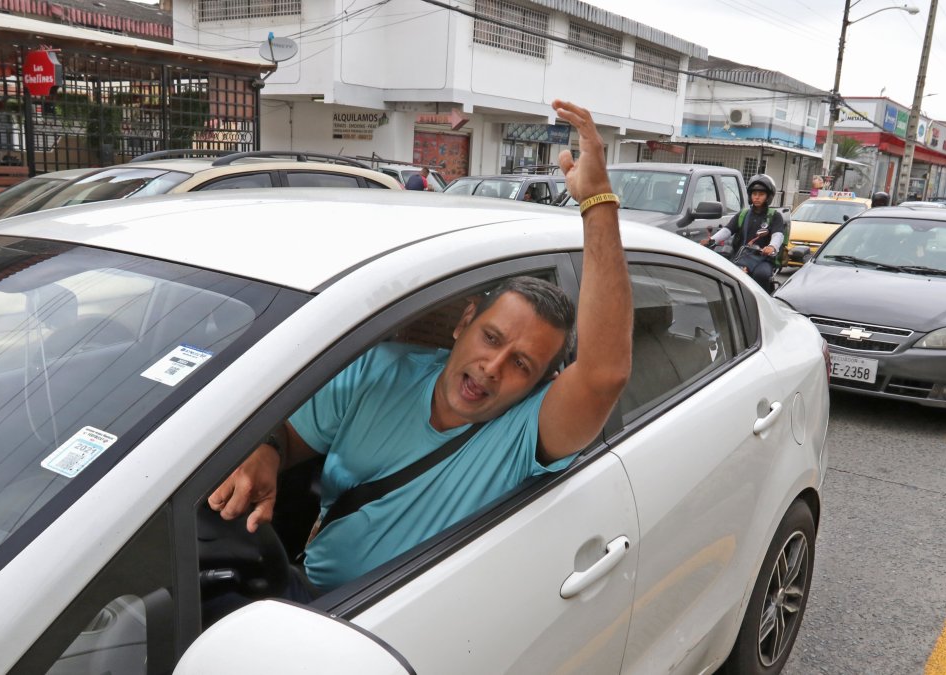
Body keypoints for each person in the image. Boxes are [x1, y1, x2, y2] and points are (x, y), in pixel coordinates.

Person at [208, 99, 631, 597]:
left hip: (404, 628)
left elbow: (603, 374)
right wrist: (266, 452)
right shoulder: (376, 370)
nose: (492, 367)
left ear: (540, 385)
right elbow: (289, 435)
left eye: (522, 364)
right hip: (306, 592)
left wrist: (597, 202)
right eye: (491, 338)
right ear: (464, 322)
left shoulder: (525, 435)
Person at [702, 173, 786, 293]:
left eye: (761, 194)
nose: (757, 197)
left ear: (768, 197)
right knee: (725, 273)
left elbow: (778, 235)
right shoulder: (743, 214)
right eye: (754, 194)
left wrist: (772, 246)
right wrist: (712, 240)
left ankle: (763, 301)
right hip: (742, 255)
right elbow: (727, 230)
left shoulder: (774, 216)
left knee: (762, 275)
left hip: (763, 259)